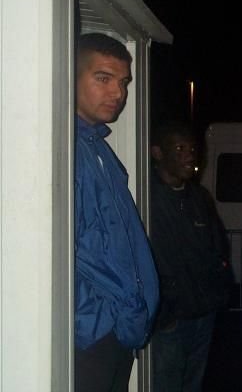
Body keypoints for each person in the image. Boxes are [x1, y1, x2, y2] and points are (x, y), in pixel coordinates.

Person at [74, 33, 159, 391]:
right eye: (103, 78)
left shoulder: (99, 149)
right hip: (92, 333)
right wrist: (96, 320)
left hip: (118, 326)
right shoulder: (60, 148)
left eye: (123, 82)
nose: (118, 93)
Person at [149, 120, 230, 392]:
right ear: (158, 153)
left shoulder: (199, 197)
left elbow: (218, 247)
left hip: (202, 313)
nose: (189, 155)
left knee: (192, 384)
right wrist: (164, 314)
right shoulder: (147, 199)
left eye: (192, 149)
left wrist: (217, 293)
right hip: (170, 320)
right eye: (179, 148)